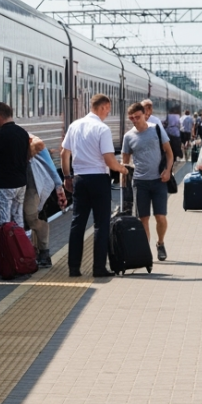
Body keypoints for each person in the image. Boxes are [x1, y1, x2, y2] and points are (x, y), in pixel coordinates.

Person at [61, 94, 129, 278]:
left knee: (77, 224)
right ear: (104, 106)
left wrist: (67, 177)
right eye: (109, 109)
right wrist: (122, 169)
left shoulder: (74, 125)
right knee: (101, 224)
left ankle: (73, 268)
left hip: (80, 179)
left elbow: (64, 153)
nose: (108, 112)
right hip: (98, 179)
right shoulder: (102, 128)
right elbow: (109, 159)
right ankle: (98, 268)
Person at [121, 102, 175, 261]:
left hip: (159, 180)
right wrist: (124, 184)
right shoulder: (128, 136)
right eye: (131, 118)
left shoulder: (156, 130)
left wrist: (168, 171)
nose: (135, 120)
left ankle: (160, 242)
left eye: (137, 117)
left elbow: (170, 153)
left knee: (160, 217)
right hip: (139, 182)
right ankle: (146, 252)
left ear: (145, 114)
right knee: (143, 219)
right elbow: (125, 163)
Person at [24, 132, 67, 267]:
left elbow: (41, 147)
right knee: (24, 219)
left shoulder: (30, 139)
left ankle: (44, 252)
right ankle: (32, 253)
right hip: (21, 186)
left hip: (37, 185)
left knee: (31, 217)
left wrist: (59, 186)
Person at [0, 102, 30, 228]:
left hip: (4, 186)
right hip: (21, 184)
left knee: (3, 224)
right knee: (17, 220)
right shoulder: (23, 133)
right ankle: (20, 246)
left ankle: (6, 248)